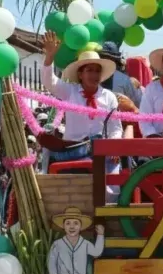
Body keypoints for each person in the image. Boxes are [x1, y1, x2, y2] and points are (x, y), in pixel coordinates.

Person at [40, 33, 123, 171]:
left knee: (112, 189)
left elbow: (115, 128)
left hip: (102, 154)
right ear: (80, 74)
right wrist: (50, 56)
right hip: (73, 153)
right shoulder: (69, 91)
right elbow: (49, 82)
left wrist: (113, 148)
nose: (94, 75)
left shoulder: (109, 97)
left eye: (97, 71)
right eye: (89, 70)